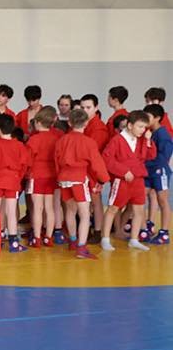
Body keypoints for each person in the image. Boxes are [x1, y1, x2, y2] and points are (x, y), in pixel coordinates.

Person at [54, 109, 109, 259]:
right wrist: (102, 179)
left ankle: (73, 241)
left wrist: (59, 177)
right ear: (86, 123)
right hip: (79, 178)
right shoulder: (88, 142)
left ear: (69, 122)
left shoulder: (62, 140)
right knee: (84, 214)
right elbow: (96, 163)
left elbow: (56, 160)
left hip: (64, 178)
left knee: (70, 210)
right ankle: (81, 247)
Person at [100, 110, 157, 252]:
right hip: (121, 181)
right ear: (130, 125)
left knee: (139, 210)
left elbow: (151, 155)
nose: (142, 130)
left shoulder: (142, 140)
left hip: (138, 180)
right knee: (113, 208)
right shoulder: (117, 140)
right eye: (140, 127)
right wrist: (123, 171)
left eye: (144, 127)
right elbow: (106, 158)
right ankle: (105, 239)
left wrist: (148, 140)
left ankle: (134, 239)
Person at [0, 114, 30, 253]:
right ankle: (13, 242)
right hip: (13, 181)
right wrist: (18, 177)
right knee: (11, 212)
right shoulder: (19, 146)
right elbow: (24, 165)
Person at [25, 107, 60, 248]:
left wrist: (26, 173)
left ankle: (37, 237)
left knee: (37, 208)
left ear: (38, 122)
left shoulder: (34, 140)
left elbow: (28, 159)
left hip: (37, 175)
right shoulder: (56, 139)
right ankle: (48, 237)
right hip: (52, 175)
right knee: (50, 208)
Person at [80, 94, 110, 244]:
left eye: (88, 107)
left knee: (95, 201)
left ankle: (98, 231)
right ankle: (91, 229)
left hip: (93, 171)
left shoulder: (99, 129)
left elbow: (94, 154)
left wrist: (99, 177)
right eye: (83, 107)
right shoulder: (84, 124)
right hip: (83, 169)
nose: (85, 110)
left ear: (96, 108)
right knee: (87, 202)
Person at [142, 104, 172, 245]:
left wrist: (146, 163)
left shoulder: (163, 134)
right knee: (141, 197)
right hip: (148, 172)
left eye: (148, 117)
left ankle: (164, 232)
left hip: (160, 172)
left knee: (162, 200)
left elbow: (164, 157)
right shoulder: (150, 132)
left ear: (157, 118)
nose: (145, 119)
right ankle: (146, 227)